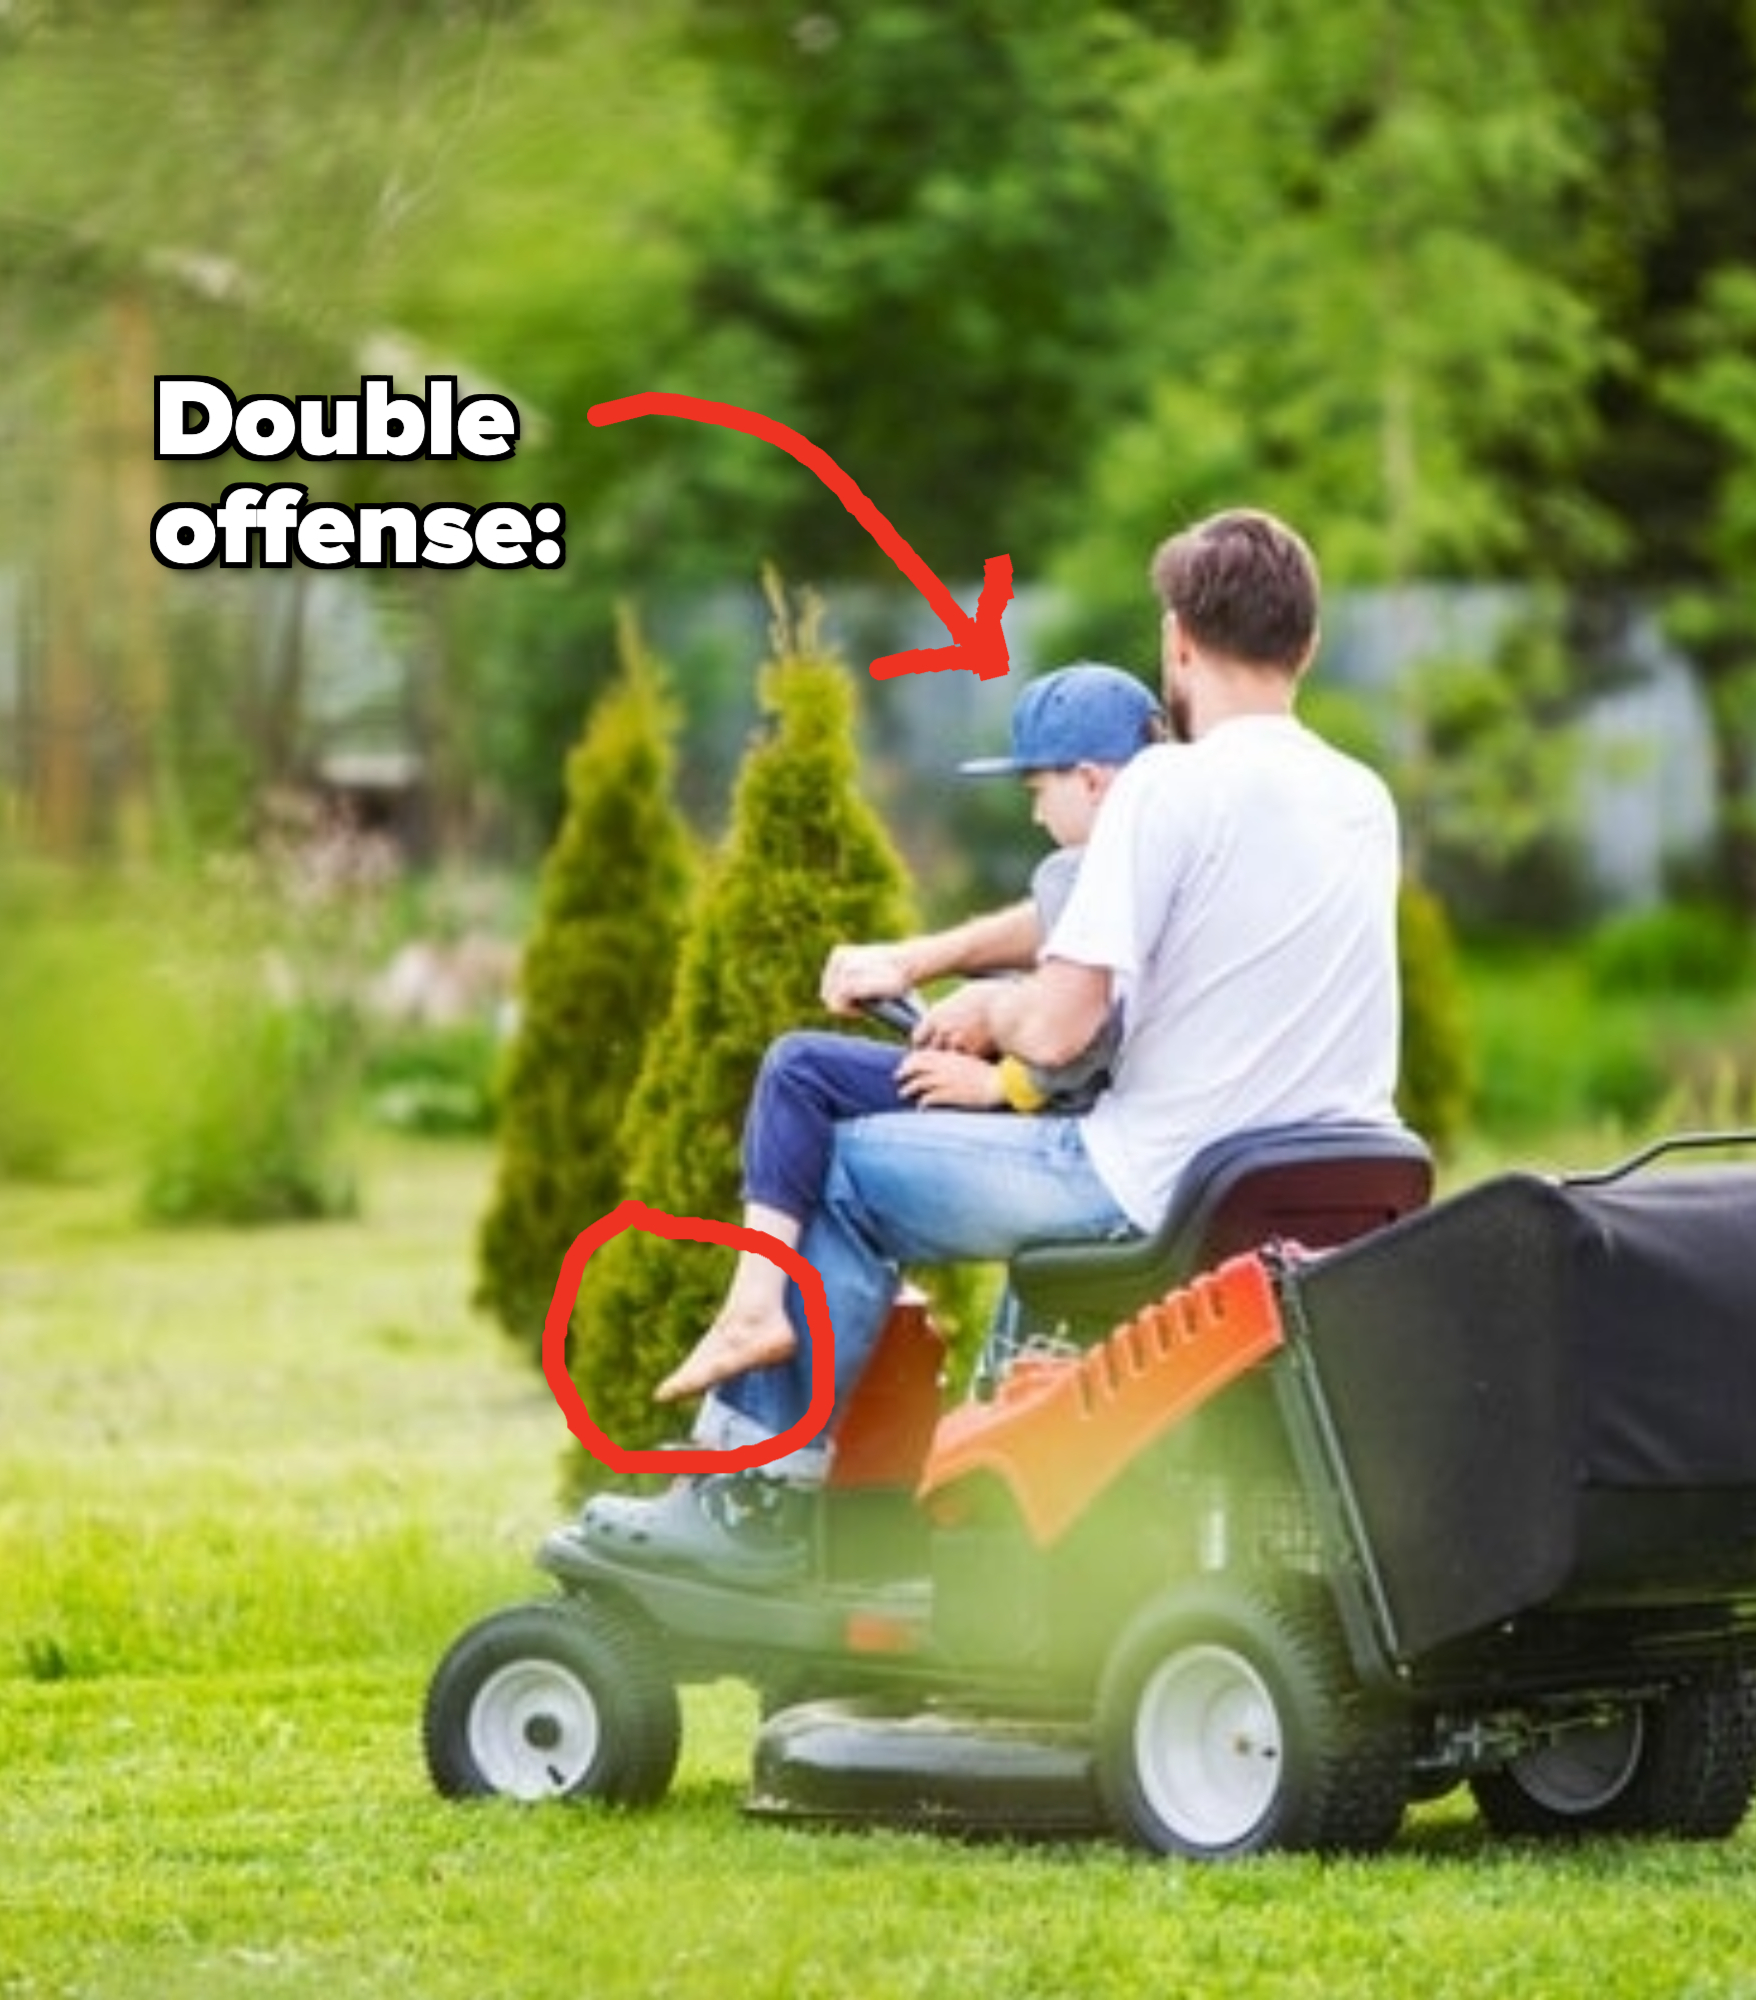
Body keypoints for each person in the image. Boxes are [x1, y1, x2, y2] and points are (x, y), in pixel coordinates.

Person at [584, 508, 1403, 1581]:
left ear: (1176, 641)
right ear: (1304, 644)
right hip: (1314, 1191)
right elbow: (1113, 935)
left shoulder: (1167, 785)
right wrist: (960, 977)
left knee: (834, 1172)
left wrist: (985, 1011)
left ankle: (751, 1500)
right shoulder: (1359, 797)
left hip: (1149, 1185)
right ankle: (969, 1500)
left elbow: (1060, 1021)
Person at [649, 662, 1163, 1407]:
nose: (1034, 816)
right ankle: (760, 1318)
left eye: (1036, 791)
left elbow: (1083, 1030)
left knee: (800, 1072)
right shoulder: (1169, 853)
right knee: (818, 1072)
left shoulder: (1085, 866)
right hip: (1084, 1115)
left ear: (1090, 780)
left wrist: (1000, 1079)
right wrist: (948, 989)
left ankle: (755, 1323)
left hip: (1069, 1126)